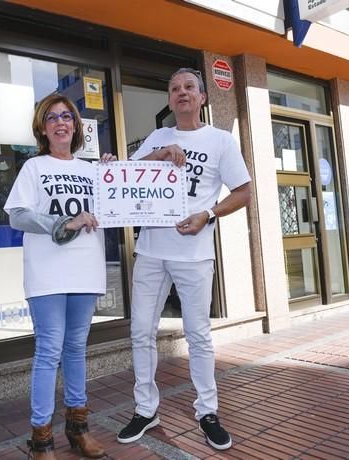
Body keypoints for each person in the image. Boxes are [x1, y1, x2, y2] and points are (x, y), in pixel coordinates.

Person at [116, 68, 252, 451]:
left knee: (198, 335)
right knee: (141, 331)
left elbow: (243, 192)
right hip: (150, 252)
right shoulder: (158, 136)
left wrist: (208, 214)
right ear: (170, 98)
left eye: (189, 87)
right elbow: (128, 177)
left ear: (203, 97)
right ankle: (146, 409)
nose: (181, 93)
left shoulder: (221, 141)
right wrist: (159, 154)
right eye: (174, 88)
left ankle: (207, 412)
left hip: (194, 254)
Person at [4, 93, 116, 460]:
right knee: (49, 350)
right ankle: (41, 439)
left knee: (76, 349)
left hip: (85, 268)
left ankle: (78, 429)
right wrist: (63, 223)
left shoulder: (91, 171)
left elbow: (114, 210)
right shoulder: (34, 167)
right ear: (43, 128)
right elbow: (17, 215)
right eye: (52, 117)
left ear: (76, 125)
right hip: (48, 273)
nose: (61, 122)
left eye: (67, 116)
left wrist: (113, 178)